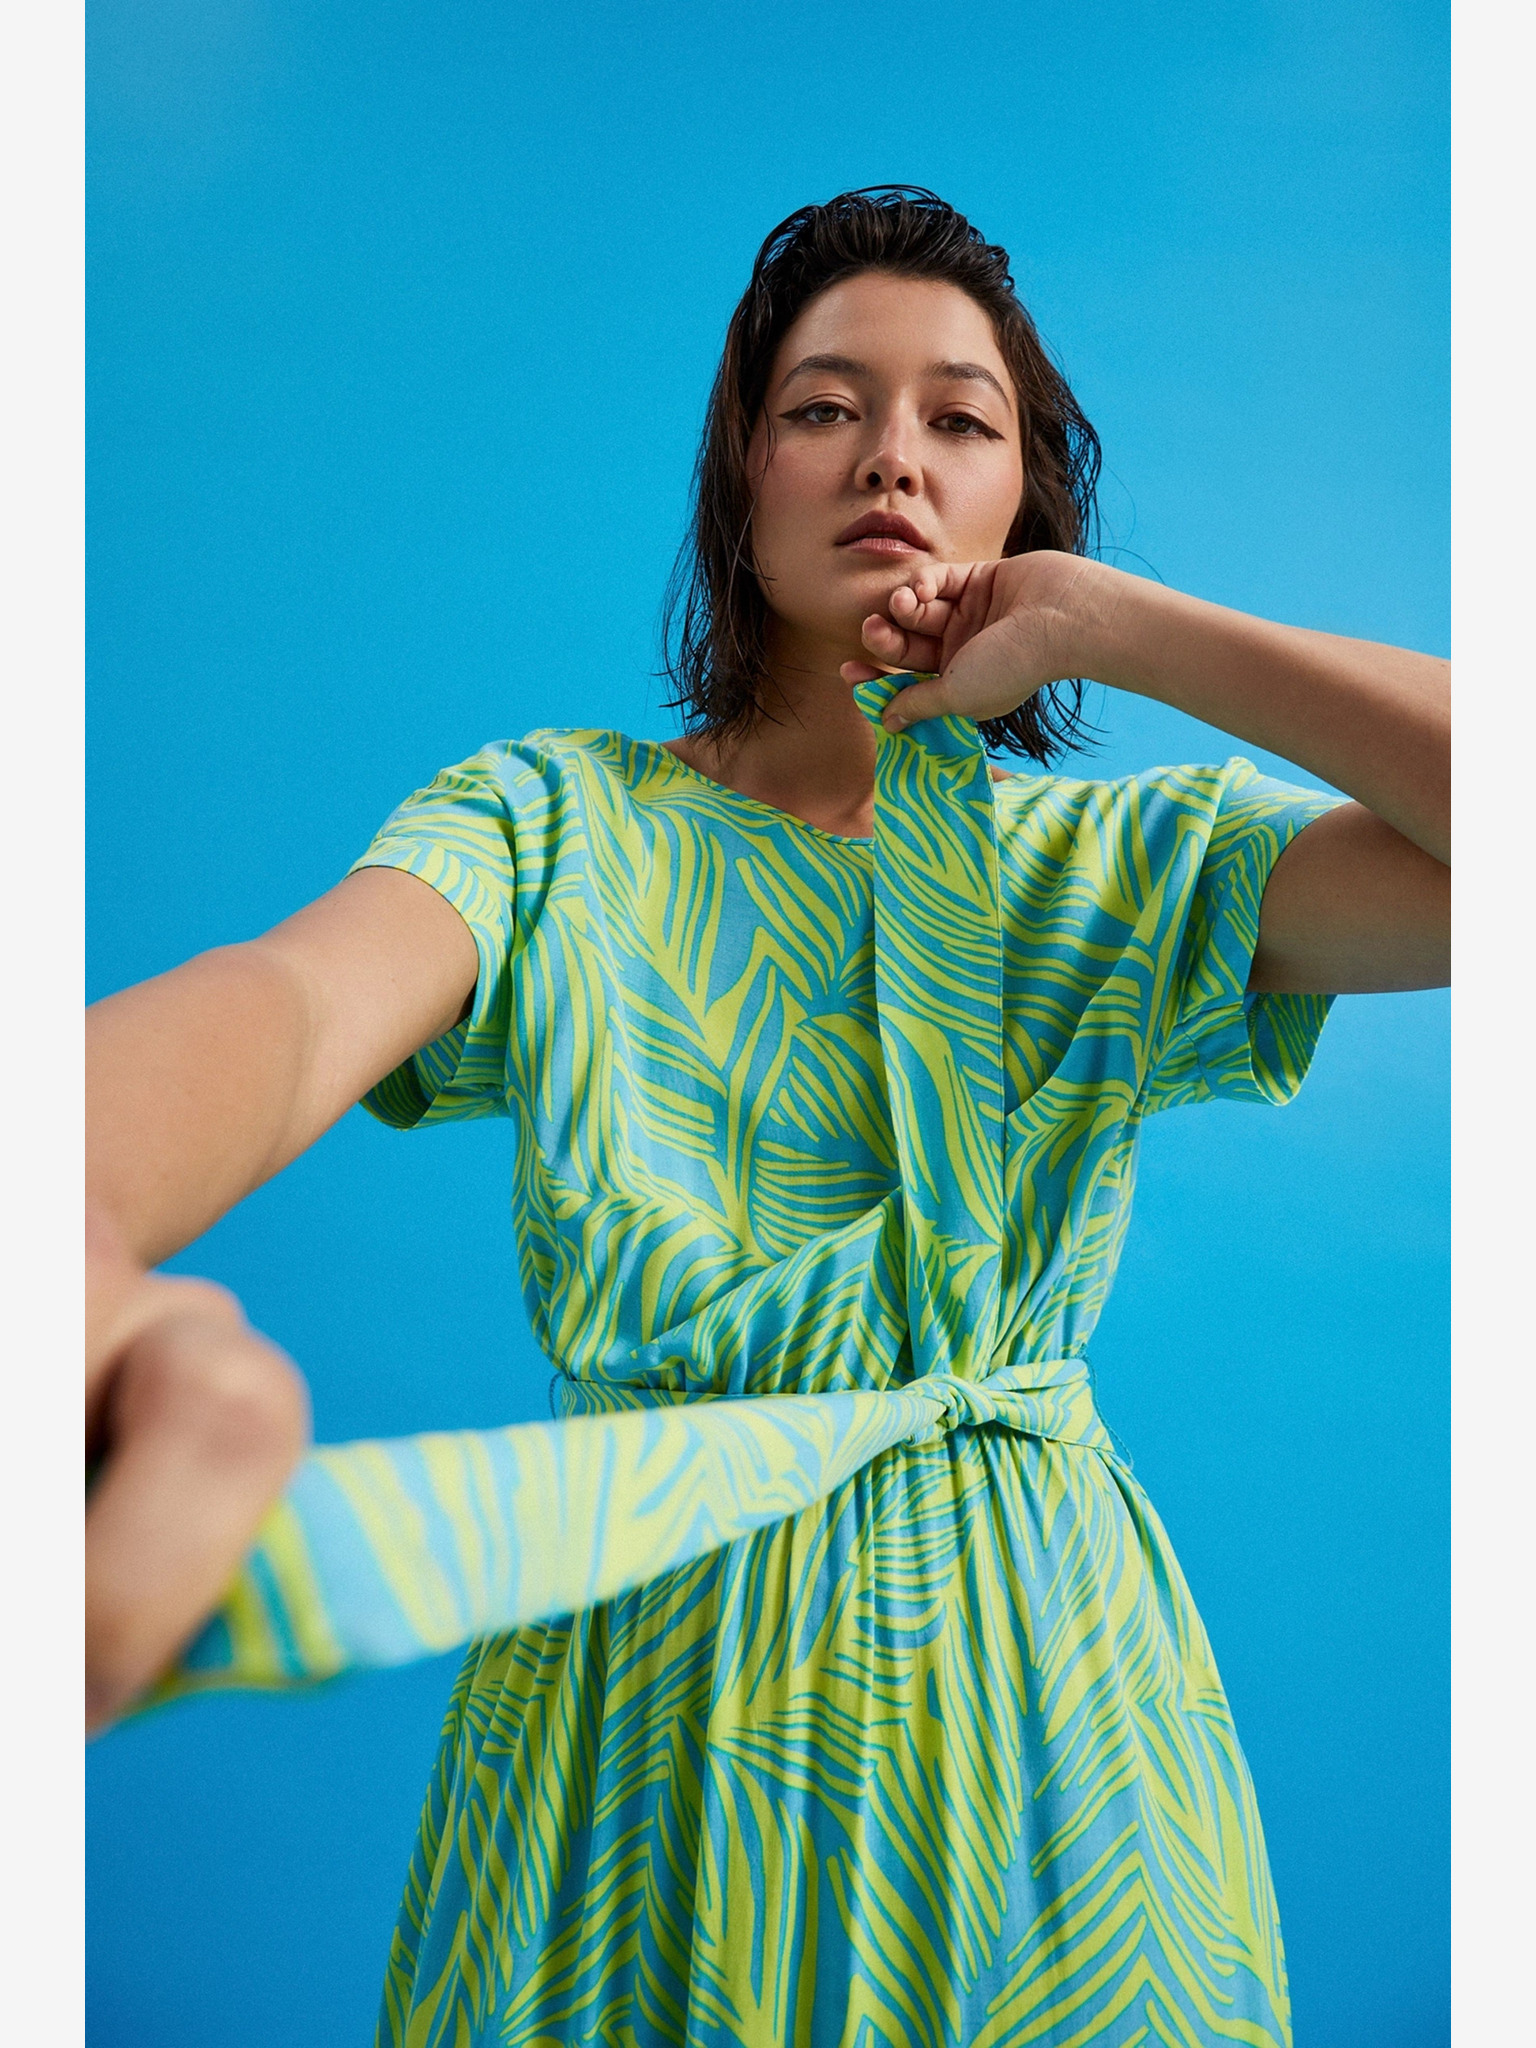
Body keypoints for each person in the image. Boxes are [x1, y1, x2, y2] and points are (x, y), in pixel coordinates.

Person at [85, 188, 1449, 2046]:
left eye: (962, 419)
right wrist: (65, 1222)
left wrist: (1120, 628)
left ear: (1023, 497)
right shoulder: (550, 827)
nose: (892, 455)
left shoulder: (1123, 872)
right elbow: (294, 1004)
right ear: (742, 476)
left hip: (1046, 1735)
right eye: (824, 407)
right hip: (634, 1708)